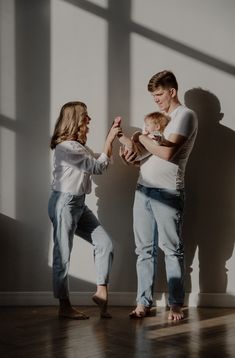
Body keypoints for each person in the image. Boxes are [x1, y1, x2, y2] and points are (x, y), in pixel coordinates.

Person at [122, 70, 198, 320]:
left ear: (172, 91)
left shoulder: (185, 116)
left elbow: (167, 154)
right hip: (143, 189)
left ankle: (176, 304)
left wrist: (141, 137)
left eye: (158, 94)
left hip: (167, 192)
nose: (155, 99)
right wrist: (131, 154)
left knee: (171, 249)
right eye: (153, 95)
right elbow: (145, 154)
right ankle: (143, 303)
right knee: (144, 250)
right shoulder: (158, 118)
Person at [48, 101, 121, 319]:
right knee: (63, 255)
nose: (89, 120)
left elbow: (101, 161)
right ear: (75, 120)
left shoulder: (78, 146)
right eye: (85, 116)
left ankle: (101, 292)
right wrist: (109, 139)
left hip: (78, 204)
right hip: (65, 204)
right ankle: (64, 306)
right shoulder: (66, 148)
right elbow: (98, 167)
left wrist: (111, 139)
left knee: (105, 244)